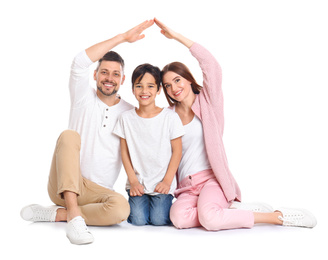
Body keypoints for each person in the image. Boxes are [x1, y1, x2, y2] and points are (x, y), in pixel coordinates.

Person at [154, 18, 317, 230]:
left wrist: (177, 37)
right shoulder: (168, 115)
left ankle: (276, 217)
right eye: (167, 85)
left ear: (188, 79)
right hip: (187, 187)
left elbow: (211, 65)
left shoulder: (208, 101)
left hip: (212, 180)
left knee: (210, 221)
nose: (173, 87)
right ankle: (228, 211)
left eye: (177, 80)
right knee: (178, 218)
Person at [20, 20, 154, 245]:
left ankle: (59, 214)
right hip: (62, 185)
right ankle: (74, 217)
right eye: (104, 72)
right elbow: (79, 61)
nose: (109, 78)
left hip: (97, 194)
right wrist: (122, 37)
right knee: (69, 135)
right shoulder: (83, 96)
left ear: (122, 79)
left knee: (121, 209)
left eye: (115, 74)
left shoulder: (130, 113)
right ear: (95, 75)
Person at [113, 63, 184, 226]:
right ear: (132, 89)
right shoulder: (126, 119)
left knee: (159, 220)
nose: (144, 91)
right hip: (138, 184)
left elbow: (177, 151)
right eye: (139, 86)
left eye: (150, 86)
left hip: (162, 184)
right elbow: (124, 153)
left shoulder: (170, 117)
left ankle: (170, 204)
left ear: (158, 89)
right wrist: (133, 181)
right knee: (138, 220)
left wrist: (167, 181)